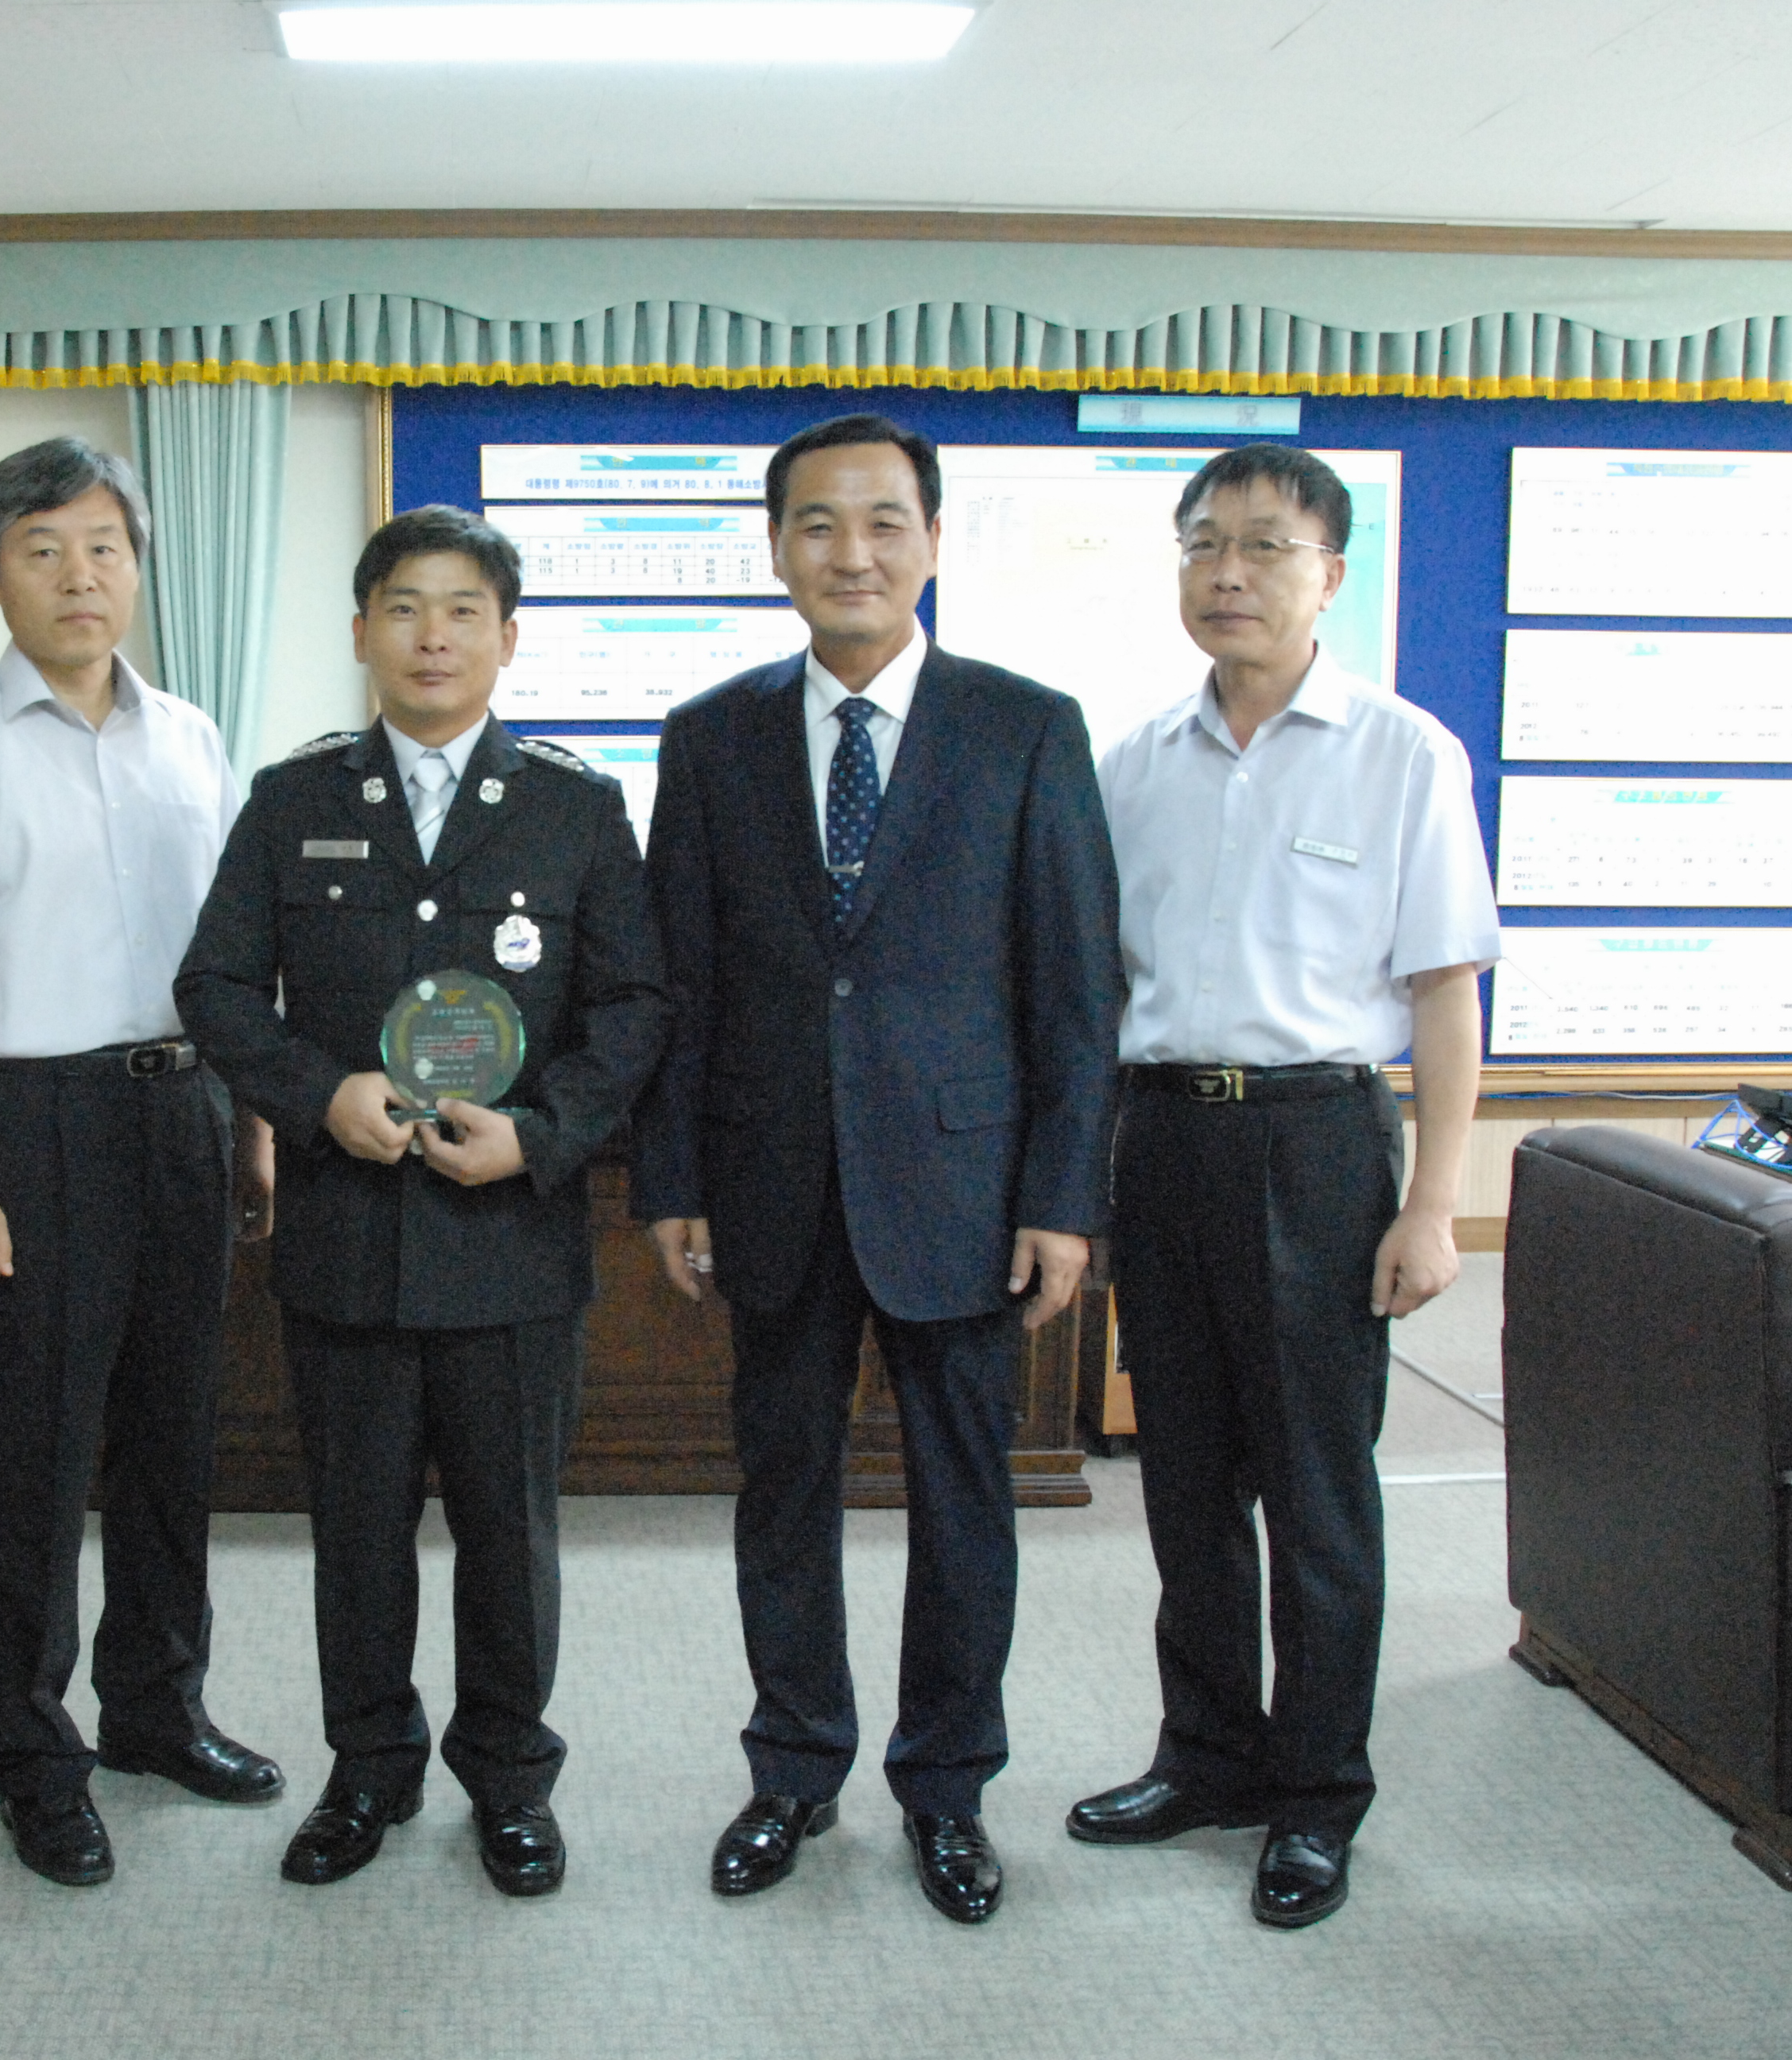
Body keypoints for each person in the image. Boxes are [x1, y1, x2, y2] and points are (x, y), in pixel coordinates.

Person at [631, 413, 1124, 1927]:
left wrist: (1061, 1199)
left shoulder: (1027, 726)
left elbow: (1076, 987)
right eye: (819, 523)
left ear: (933, 540)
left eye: (884, 521)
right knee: (781, 1492)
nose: (852, 552)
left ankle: (947, 1787)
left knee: (964, 1500)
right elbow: (681, 983)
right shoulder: (709, 735)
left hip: (964, 1188)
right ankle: (792, 1770)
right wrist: (671, 1178)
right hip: (771, 1182)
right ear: (776, 547)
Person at [176, 505, 664, 1899]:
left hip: (512, 1242)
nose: (432, 637)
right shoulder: (295, 800)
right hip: (351, 1234)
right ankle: (369, 1768)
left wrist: (542, 1137)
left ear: (508, 639)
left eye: (462, 612)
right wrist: (315, 1093)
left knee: (510, 1537)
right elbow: (216, 986)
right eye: (403, 608)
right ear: (361, 633)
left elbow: (635, 1006)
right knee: (357, 1533)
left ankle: (510, 1780)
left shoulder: (576, 806)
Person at [1066, 443, 1496, 1931]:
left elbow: (1445, 992)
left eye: (1264, 546)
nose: (1229, 573)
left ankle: (1317, 1795)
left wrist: (1433, 1204)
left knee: (1318, 1492)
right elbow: (1095, 990)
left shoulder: (1403, 752)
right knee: (1185, 1483)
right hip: (1163, 1140)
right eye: (1204, 544)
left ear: (1330, 575)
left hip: (1319, 1145)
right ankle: (1207, 1758)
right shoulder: (1132, 763)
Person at [0, 438, 281, 1889]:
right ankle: (35, 1760)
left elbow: (232, 961)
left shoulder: (193, 738)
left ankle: (158, 1711)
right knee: (31, 1463)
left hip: (184, 1113)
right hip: (26, 1128)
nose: (79, 575)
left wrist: (251, 1121)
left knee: (172, 1440)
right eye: (43, 550)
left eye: (104, 546)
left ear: (138, 568)